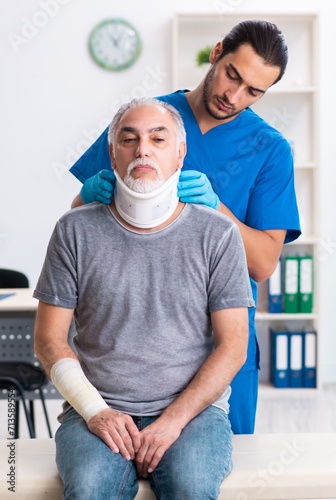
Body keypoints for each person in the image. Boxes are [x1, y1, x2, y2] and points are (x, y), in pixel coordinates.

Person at [68, 19, 301, 434]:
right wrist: (88, 193)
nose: (235, 96)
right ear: (216, 53)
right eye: (233, 75)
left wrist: (217, 206)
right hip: (131, 346)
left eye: (254, 91)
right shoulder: (146, 122)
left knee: (212, 480)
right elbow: (79, 219)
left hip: (221, 342)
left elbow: (264, 264)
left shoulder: (270, 150)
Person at [34, 97, 254, 500]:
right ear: (112, 156)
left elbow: (235, 344)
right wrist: (94, 409)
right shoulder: (73, 230)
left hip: (193, 412)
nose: (143, 149)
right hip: (97, 408)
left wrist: (174, 419)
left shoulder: (218, 234)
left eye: (158, 138)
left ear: (180, 154)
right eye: (128, 139)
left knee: (191, 488)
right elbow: (49, 339)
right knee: (87, 490)